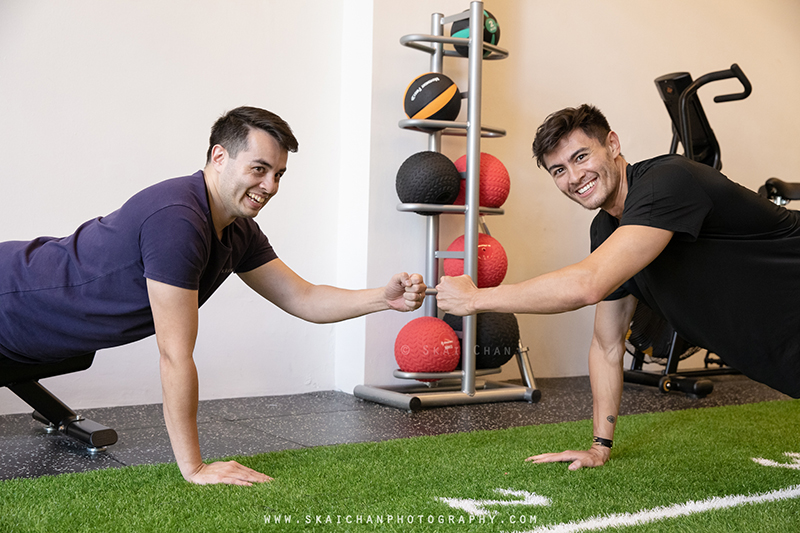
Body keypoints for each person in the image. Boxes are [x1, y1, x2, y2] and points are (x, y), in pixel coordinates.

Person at [0, 106, 427, 485]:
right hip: (10, 299)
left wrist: (382, 299)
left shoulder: (237, 229)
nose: (271, 185)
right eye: (259, 169)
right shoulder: (178, 220)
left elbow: (303, 297)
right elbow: (174, 355)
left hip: (34, 321)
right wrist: (195, 468)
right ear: (219, 156)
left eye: (278, 174)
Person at [435, 104, 800, 471]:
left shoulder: (668, 182)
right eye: (559, 170)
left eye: (581, 156)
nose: (574, 177)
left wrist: (477, 298)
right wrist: (599, 446)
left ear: (612, 144)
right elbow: (607, 345)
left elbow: (588, 284)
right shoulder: (607, 230)